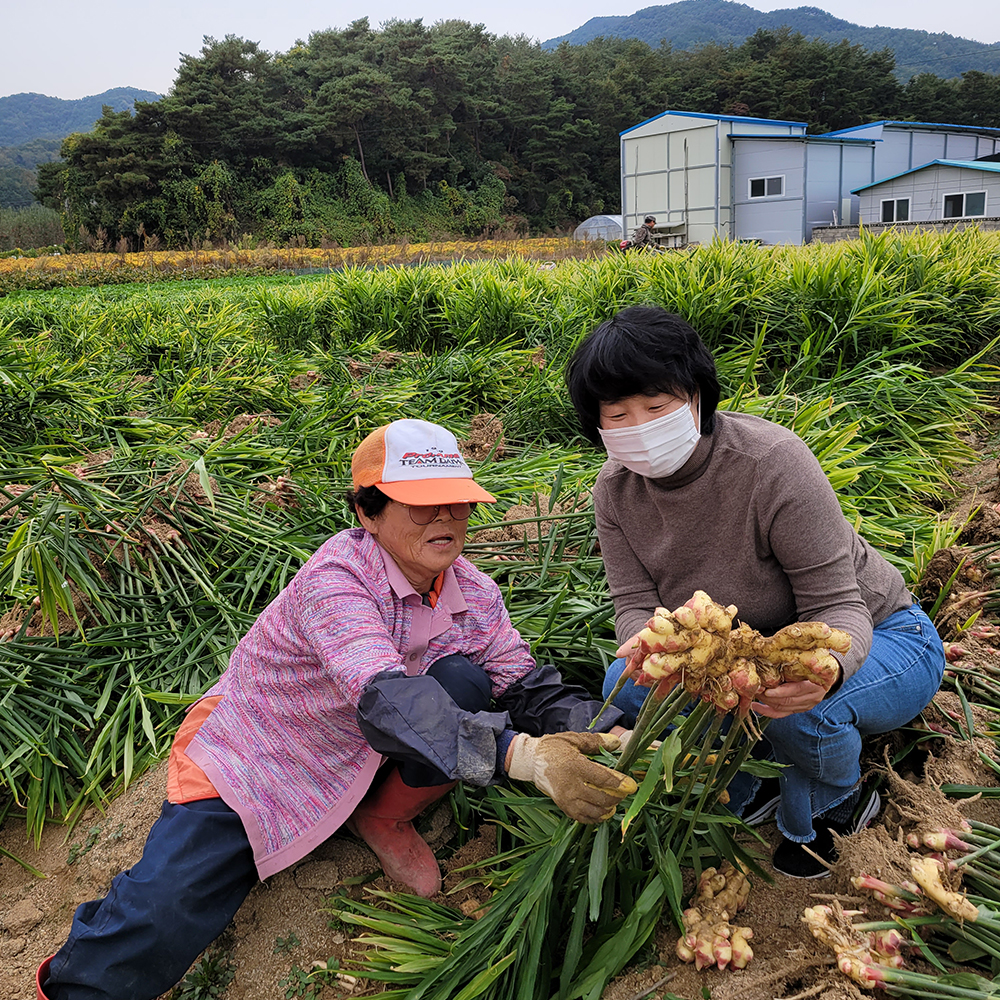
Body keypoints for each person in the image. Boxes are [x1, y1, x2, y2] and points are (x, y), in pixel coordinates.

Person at [37, 418, 637, 1000]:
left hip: (369, 742)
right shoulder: (339, 580)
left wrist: (616, 733)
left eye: (457, 502)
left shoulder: (472, 589)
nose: (448, 518)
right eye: (423, 504)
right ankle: (80, 985)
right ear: (368, 513)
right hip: (268, 750)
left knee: (464, 681)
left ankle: (382, 815)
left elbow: (523, 683)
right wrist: (523, 756)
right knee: (172, 902)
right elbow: (386, 697)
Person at [565, 306, 945, 880]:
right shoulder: (615, 490)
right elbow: (633, 604)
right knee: (626, 686)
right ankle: (757, 766)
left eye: (656, 406)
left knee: (797, 716)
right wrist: (647, 649)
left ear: (697, 396)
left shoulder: (771, 463)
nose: (637, 427)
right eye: (617, 414)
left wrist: (830, 670)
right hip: (748, 652)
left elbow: (838, 608)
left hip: (886, 632)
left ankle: (840, 797)